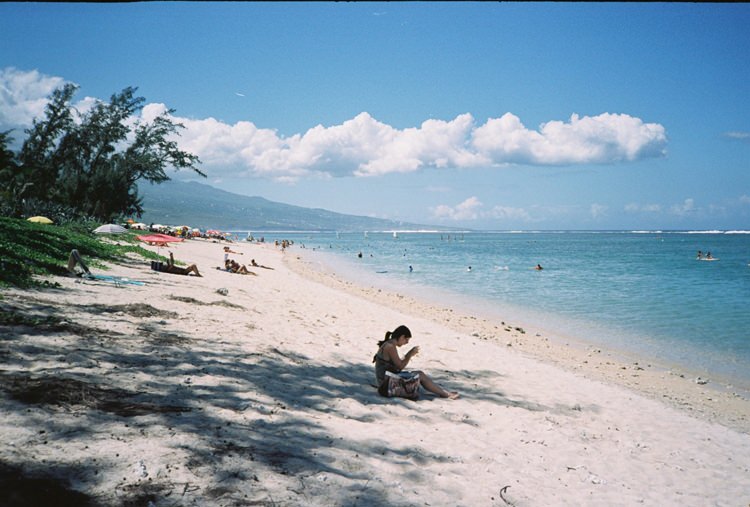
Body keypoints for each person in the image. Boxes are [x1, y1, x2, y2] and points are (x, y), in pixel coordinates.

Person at [372, 325, 459, 399]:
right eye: (406, 340)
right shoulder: (390, 346)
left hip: (384, 381)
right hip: (385, 385)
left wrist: (408, 354)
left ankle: (442, 392)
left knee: (418, 374)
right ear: (402, 337)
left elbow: (396, 365)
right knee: (420, 375)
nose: (406, 342)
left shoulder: (388, 343)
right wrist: (410, 354)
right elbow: (400, 366)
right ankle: (445, 394)